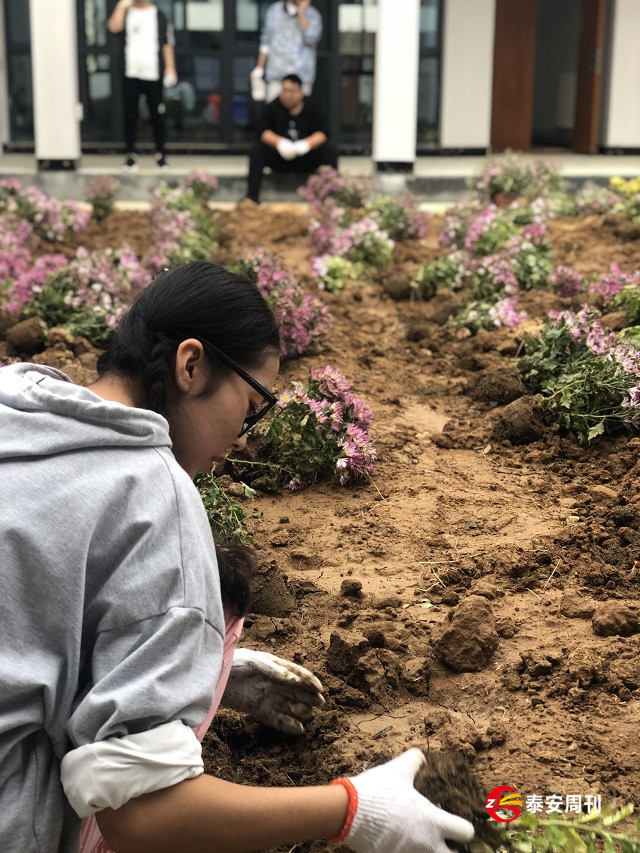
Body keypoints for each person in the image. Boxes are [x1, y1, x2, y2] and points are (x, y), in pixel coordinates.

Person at [0, 261, 474, 853]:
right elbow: (142, 816)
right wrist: (354, 809)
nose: (246, 435)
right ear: (190, 365)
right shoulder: (154, 498)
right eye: (251, 405)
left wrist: (202, 678)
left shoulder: (19, 408)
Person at [246, 73, 338, 204]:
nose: (287, 95)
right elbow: (262, 131)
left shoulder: (314, 107)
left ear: (300, 92)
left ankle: (331, 197)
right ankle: (252, 198)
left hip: (306, 158)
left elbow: (323, 133)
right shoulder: (273, 107)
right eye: (284, 90)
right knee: (257, 150)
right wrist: (280, 143)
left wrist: (305, 145)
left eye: (291, 91)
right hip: (280, 159)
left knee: (329, 150)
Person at [107, 0, 177, 170]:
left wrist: (170, 68)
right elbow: (113, 28)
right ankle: (130, 154)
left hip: (153, 73)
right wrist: (121, 6)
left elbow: (167, 44)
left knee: (157, 116)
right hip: (130, 72)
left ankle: (160, 154)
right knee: (130, 115)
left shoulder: (159, 14)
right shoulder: (126, 12)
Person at [250, 0, 322, 103]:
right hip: (277, 77)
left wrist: (301, 12)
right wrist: (258, 70)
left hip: (302, 78)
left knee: (300, 115)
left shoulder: (313, 14)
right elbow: (266, 42)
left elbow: (311, 38)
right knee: (274, 115)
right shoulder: (274, 11)